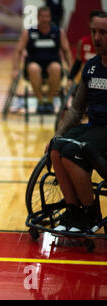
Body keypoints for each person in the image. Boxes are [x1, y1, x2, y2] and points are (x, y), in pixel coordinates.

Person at [47, 12, 107, 233]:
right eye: (94, 32)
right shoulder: (91, 67)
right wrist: (58, 134)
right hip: (94, 127)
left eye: (103, 33)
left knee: (73, 152)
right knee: (56, 148)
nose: (97, 38)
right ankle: (74, 211)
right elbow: (76, 108)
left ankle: (91, 213)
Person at [12, 6, 73, 114]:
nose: (44, 19)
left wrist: (72, 72)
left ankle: (49, 102)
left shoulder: (58, 32)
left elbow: (67, 52)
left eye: (47, 16)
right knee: (33, 68)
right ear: (37, 17)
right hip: (33, 65)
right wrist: (15, 69)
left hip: (53, 65)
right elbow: (18, 51)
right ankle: (40, 102)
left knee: (56, 67)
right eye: (42, 16)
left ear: (50, 18)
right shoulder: (29, 32)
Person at [67, 10, 102, 88]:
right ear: (90, 24)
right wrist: (70, 78)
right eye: (95, 23)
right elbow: (78, 62)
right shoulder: (83, 42)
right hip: (87, 81)